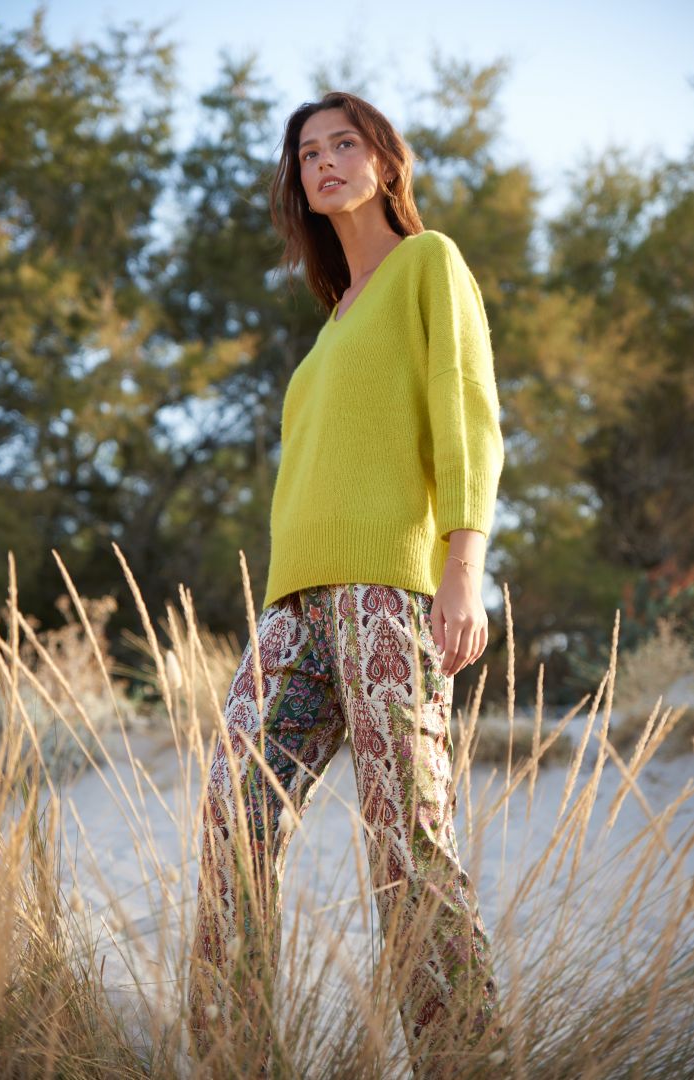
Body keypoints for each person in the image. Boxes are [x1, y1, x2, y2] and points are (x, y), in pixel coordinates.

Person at [188, 90, 507, 1079]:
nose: (323, 161)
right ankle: (239, 1057)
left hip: (387, 596)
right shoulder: (329, 326)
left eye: (343, 143)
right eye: (307, 153)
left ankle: (467, 1063)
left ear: (384, 160)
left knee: (405, 842)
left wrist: (462, 569)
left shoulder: (427, 263)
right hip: (293, 604)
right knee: (232, 816)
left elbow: (468, 417)